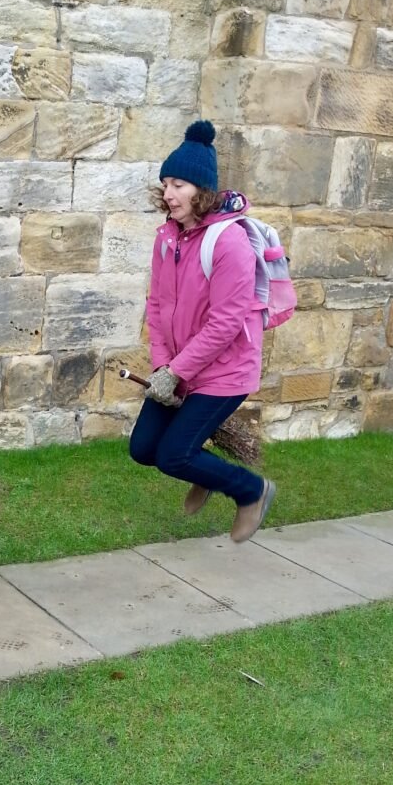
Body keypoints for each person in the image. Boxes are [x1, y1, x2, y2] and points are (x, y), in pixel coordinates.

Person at [129, 120, 277, 543]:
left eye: (179, 184)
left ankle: (253, 491)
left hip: (224, 372)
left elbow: (227, 323)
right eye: (166, 184)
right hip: (178, 367)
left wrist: (177, 371)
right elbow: (156, 307)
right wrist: (162, 368)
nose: (169, 193)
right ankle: (205, 472)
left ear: (202, 190)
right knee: (143, 450)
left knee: (174, 455)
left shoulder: (228, 243)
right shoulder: (167, 238)